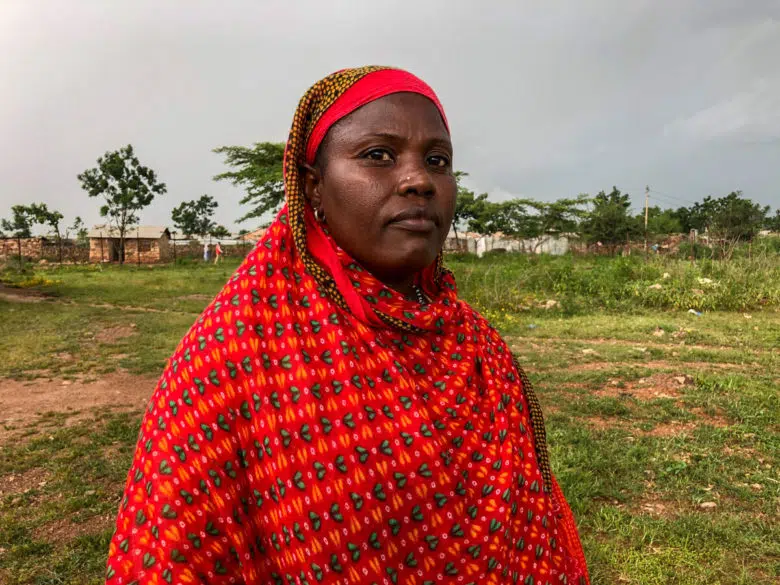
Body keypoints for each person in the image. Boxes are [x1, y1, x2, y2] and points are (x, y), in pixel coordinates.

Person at [105, 66, 589, 585]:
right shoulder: (233, 357)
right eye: (378, 155)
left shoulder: (475, 344)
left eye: (437, 160)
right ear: (313, 186)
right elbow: (172, 559)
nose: (419, 180)